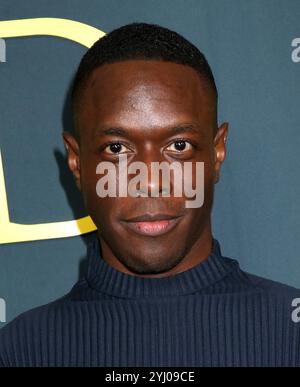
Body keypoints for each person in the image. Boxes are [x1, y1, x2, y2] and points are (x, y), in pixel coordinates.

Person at [0, 22, 299, 367]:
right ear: (77, 163)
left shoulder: (290, 336)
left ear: (216, 154)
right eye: (116, 148)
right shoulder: (20, 352)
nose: (151, 180)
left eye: (179, 145)